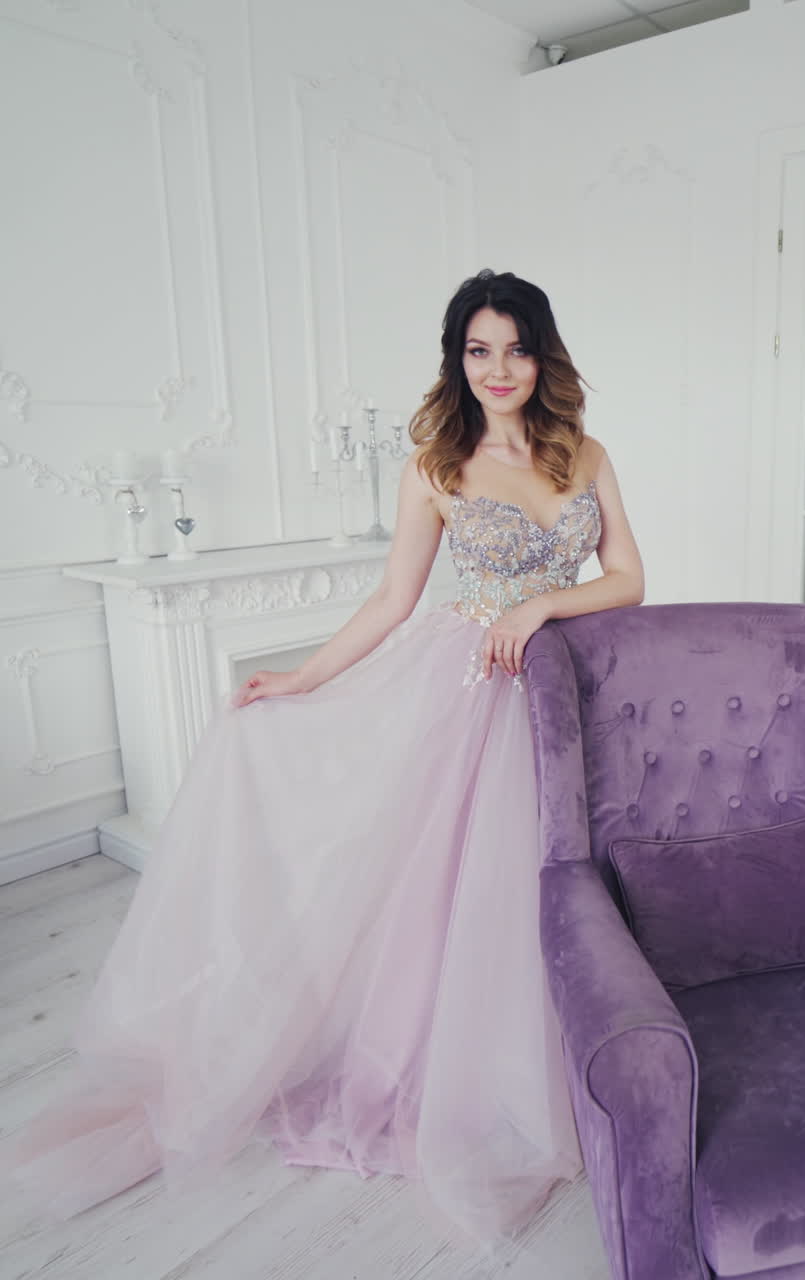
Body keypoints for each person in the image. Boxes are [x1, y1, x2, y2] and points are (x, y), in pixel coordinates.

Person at [3, 269, 644, 1248]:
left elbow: (630, 580)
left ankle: (578, 1049)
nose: (498, 367)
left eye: (515, 347)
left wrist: (541, 602)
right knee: (472, 892)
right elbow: (393, 603)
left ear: (541, 353)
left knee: (568, 881)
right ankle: (476, 1069)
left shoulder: (582, 450)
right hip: (470, 694)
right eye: (478, 349)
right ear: (455, 358)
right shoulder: (436, 462)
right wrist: (298, 678)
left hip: (568, 688)